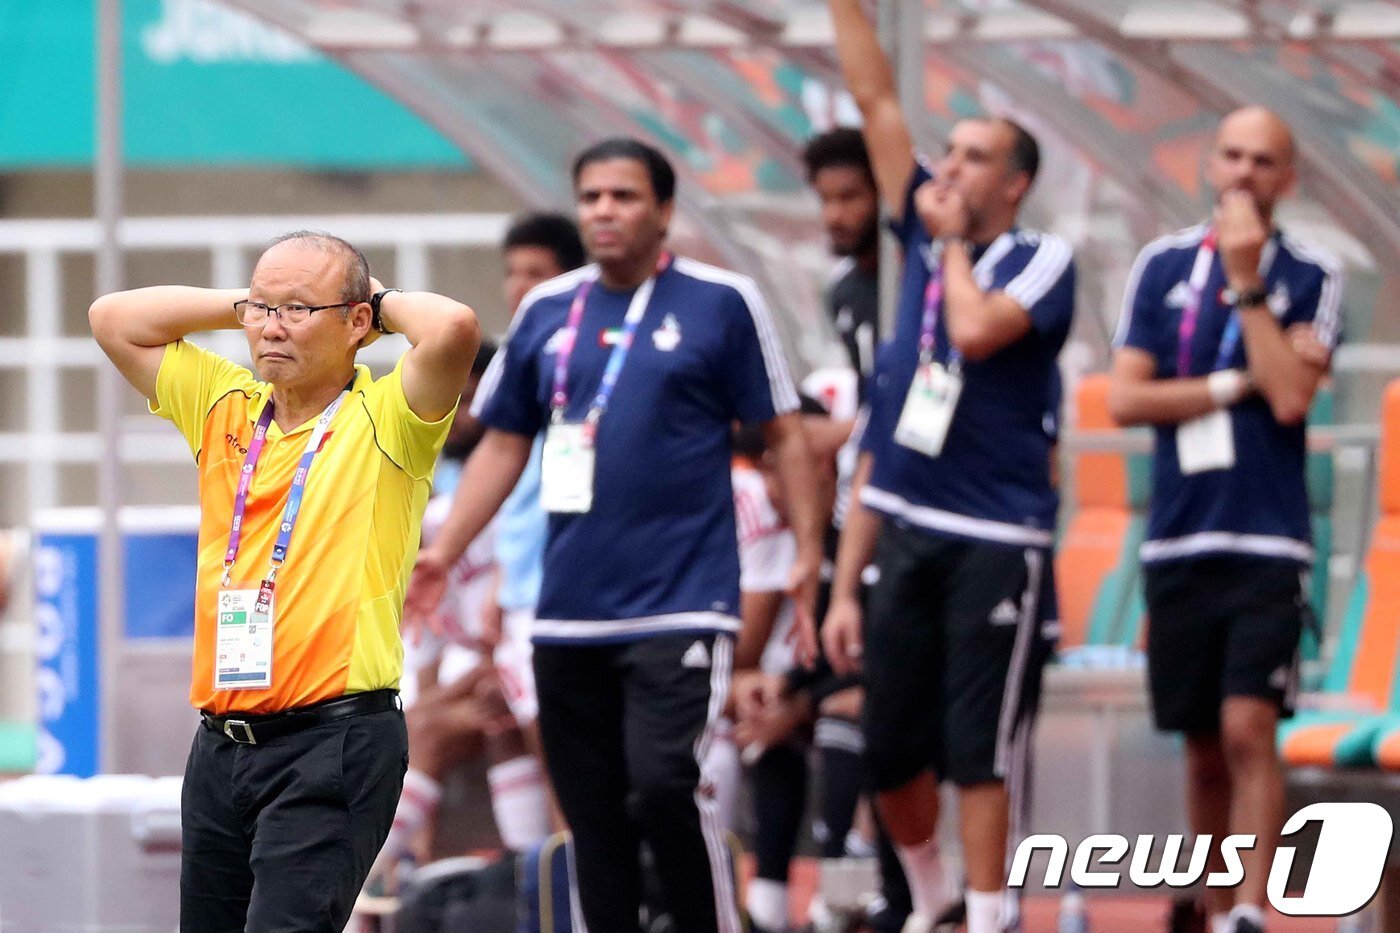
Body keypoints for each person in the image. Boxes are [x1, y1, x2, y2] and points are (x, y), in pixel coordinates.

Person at [405, 136, 822, 933]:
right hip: (568, 611)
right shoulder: (547, 310)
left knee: (665, 782)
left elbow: (786, 434)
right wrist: (446, 549)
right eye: (591, 195)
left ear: (664, 211)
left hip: (682, 602)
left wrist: (806, 553)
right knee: (592, 815)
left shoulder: (721, 302)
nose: (604, 210)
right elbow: (503, 439)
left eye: (624, 196)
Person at [88, 230, 480, 931]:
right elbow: (111, 317)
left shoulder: (389, 416)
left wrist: (374, 301)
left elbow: (452, 326)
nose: (272, 326)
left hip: (331, 742)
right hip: (220, 746)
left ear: (358, 322)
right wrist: (256, 304)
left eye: (298, 310)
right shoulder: (224, 403)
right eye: (261, 308)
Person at [822, 3, 1075, 932]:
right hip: (907, 527)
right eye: (951, 152)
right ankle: (934, 901)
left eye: (972, 157)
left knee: (979, 744)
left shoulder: (1040, 259)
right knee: (888, 749)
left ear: (1013, 182)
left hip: (996, 538)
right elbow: (876, 98)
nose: (949, 167)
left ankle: (992, 912)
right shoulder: (929, 232)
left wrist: (954, 243)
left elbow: (973, 330)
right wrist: (846, 587)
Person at [1108, 107, 1341, 933]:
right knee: (1203, 744)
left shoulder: (1312, 274)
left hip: (1266, 539)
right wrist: (1233, 380)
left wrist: (1247, 284)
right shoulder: (1161, 263)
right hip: (1178, 537)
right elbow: (1126, 395)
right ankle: (1206, 908)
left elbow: (1290, 395)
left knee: (1251, 727)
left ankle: (1250, 910)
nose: (1245, 173)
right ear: (1210, 163)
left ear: (1288, 178)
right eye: (1233, 156)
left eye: (1264, 161)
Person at [803, 127, 883, 396]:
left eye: (849, 197)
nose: (833, 216)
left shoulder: (924, 280)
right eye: (825, 199)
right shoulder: (843, 291)